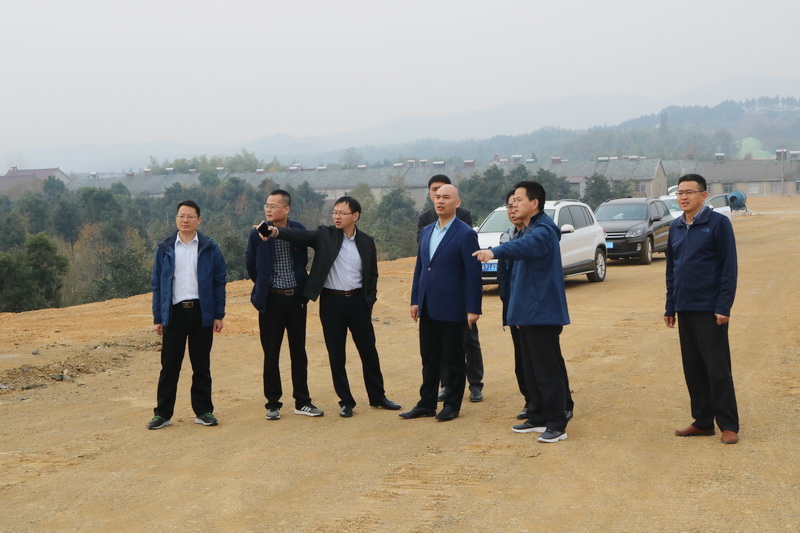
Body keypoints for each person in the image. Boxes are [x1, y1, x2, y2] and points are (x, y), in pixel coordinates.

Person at [263, 196, 401, 417]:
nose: (336, 216)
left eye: (341, 213)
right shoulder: (324, 235)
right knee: (336, 355)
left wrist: (370, 300)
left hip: (358, 302)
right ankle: (346, 401)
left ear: (355, 216)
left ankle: (378, 396)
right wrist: (275, 232)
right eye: (334, 212)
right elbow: (300, 235)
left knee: (368, 351)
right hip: (332, 303)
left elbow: (373, 274)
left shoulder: (366, 242)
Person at [473, 181, 571, 443]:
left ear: (534, 203)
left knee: (547, 370)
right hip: (526, 312)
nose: (513, 205)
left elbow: (524, 248)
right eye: (511, 201)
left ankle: (556, 423)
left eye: (518, 200)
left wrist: (493, 251)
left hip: (542, 312)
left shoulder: (544, 230)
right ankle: (537, 416)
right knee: (531, 369)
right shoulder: (524, 231)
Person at [664, 173, 739, 445]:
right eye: (680, 193)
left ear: (703, 195)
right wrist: (670, 305)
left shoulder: (718, 224)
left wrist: (723, 306)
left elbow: (729, 268)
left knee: (717, 369)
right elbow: (671, 270)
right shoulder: (675, 227)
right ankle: (703, 421)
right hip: (685, 307)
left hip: (710, 310)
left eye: (689, 192)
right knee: (693, 369)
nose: (683, 197)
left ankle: (728, 425)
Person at [402, 184, 482, 422]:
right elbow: (420, 268)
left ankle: (451, 406)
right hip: (428, 305)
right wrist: (415, 300)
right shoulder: (427, 231)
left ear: (457, 203)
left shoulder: (465, 233)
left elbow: (473, 274)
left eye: (446, 197)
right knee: (429, 357)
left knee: (453, 358)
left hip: (453, 306)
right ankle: (426, 404)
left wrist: (473, 308)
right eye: (437, 197)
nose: (440, 201)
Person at [148, 200, 226, 430]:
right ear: (176, 219)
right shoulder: (165, 248)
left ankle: (203, 411)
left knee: (201, 365)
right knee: (169, 366)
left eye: (190, 216)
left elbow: (219, 281)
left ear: (198, 220)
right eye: (181, 216)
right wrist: (158, 317)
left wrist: (218, 314)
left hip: (202, 312)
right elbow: (157, 284)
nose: (185, 220)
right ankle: (162, 414)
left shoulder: (209, 247)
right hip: (174, 313)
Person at [246, 189, 323, 421]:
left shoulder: (298, 229)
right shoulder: (257, 233)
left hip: (296, 299)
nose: (268, 210)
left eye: (273, 206)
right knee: (271, 353)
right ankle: (273, 403)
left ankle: (303, 401)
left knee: (298, 352)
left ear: (286, 209)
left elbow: (307, 257)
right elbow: (251, 265)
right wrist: (264, 286)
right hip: (271, 301)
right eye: (266, 205)